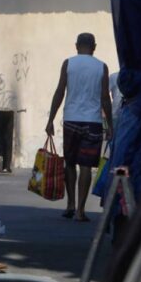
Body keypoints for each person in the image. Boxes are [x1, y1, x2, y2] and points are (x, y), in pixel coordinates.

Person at [45, 32, 113, 222]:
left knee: (70, 162)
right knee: (85, 166)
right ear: (94, 47)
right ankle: (81, 211)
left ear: (76, 45)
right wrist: (110, 125)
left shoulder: (68, 63)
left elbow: (60, 91)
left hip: (71, 120)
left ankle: (70, 204)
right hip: (93, 122)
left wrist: (50, 119)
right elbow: (105, 99)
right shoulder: (102, 67)